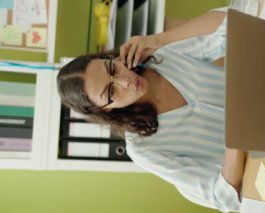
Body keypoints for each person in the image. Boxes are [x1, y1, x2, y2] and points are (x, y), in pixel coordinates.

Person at [57, 7, 246, 212]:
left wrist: (160, 39)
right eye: (111, 92)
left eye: (113, 69)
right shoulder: (143, 149)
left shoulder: (162, 57)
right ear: (106, 110)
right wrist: (237, 137)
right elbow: (223, 195)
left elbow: (235, 22)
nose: (125, 81)